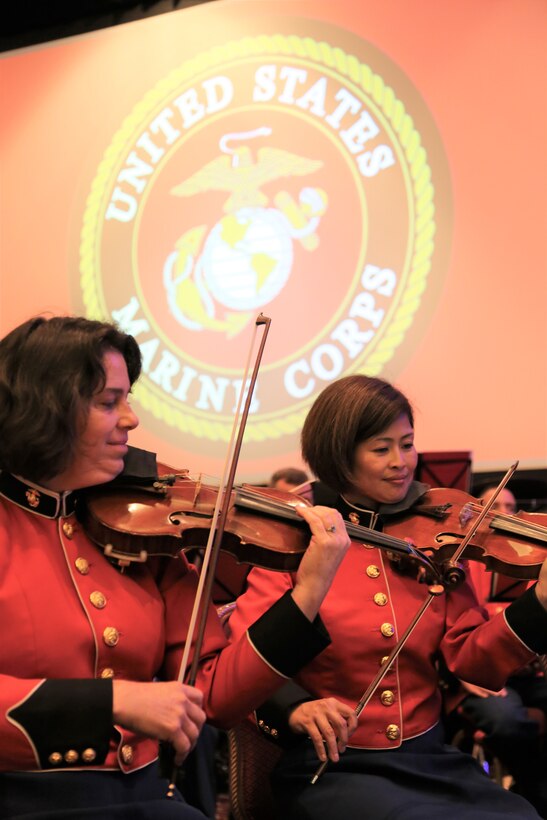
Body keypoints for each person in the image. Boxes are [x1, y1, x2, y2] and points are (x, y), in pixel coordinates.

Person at [0, 315, 351, 820]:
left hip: (145, 799)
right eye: (107, 402)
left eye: (128, 398)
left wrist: (309, 590)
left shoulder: (144, 535)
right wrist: (112, 701)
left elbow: (216, 694)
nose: (131, 419)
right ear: (43, 410)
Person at [226, 374, 547, 819]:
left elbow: (473, 661)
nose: (402, 462)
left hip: (430, 761)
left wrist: (540, 605)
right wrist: (296, 707)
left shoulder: (434, 543)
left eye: (408, 444)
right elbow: (244, 661)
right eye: (382, 449)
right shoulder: (297, 543)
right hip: (333, 768)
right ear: (339, 456)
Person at [443, 484, 547, 816]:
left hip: (533, 671)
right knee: (506, 720)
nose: (504, 514)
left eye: (511, 507)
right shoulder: (462, 559)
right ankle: (532, 790)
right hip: (485, 677)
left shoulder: (535, 559)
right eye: (493, 505)